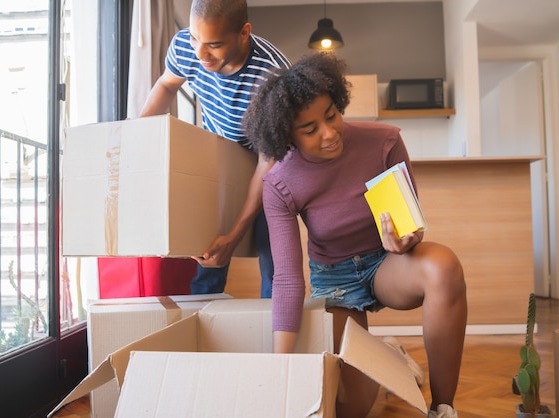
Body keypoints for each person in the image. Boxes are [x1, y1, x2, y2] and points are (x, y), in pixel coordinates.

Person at [242, 52, 468, 418]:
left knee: (444, 268)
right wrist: (279, 367)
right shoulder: (279, 183)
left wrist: (405, 240)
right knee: (351, 408)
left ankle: (442, 407)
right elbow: (286, 278)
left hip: (386, 263)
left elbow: (410, 227)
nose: (329, 133)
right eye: (310, 129)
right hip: (334, 279)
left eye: (331, 115)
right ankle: (389, 355)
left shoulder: (384, 142)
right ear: (287, 136)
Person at [139, 0, 291, 297]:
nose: (200, 53)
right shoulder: (186, 45)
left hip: (270, 164)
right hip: (220, 157)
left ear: (244, 32)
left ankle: (275, 333)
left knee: (270, 256)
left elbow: (267, 162)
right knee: (207, 259)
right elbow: (167, 85)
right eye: (196, 38)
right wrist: (137, 133)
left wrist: (235, 236)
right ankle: (202, 327)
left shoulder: (274, 80)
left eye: (214, 44)